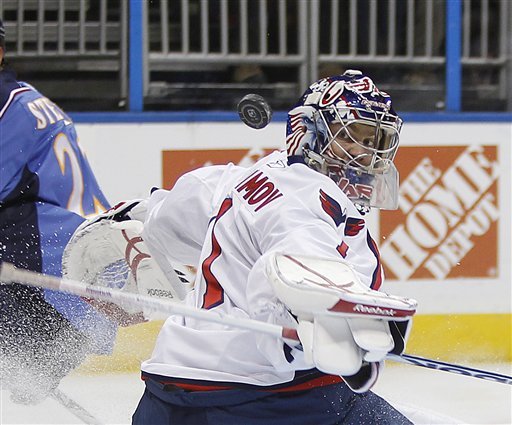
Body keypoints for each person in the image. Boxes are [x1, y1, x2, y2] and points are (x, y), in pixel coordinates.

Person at [81, 69, 412, 424]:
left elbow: (167, 219)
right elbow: (289, 282)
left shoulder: (239, 178)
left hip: (168, 391)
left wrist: (138, 216)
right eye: (350, 137)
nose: (365, 154)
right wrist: (333, 333)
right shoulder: (309, 207)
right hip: (268, 402)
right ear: (309, 132)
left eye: (375, 140)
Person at [0, 18, 117, 404]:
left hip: (54, 285)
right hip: (77, 285)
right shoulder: (24, 98)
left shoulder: (7, 107)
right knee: (24, 389)